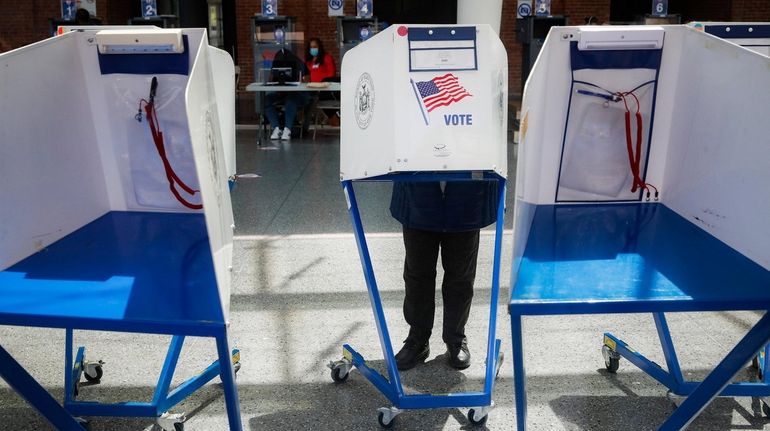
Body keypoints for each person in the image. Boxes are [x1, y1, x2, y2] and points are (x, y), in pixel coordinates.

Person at [389, 180, 499, 370]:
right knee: (417, 275)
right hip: (419, 195)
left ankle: (455, 338)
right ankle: (418, 339)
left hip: (465, 196)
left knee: (461, 276)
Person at [264, 48, 309, 141]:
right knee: (266, 100)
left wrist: (301, 80)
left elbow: (307, 83)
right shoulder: (276, 65)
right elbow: (271, 81)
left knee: (291, 100)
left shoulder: (300, 65)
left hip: (299, 94)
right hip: (282, 93)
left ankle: (287, 129)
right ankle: (276, 128)